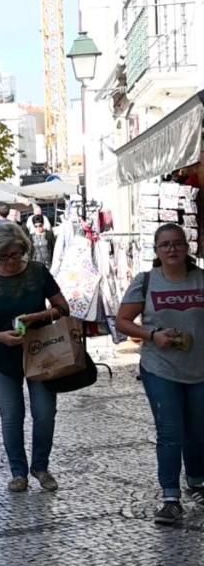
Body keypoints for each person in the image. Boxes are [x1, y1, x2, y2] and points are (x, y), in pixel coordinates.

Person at [0, 223, 70, 493]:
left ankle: (41, 466)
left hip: (40, 353)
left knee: (45, 413)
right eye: (4, 257)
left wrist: (39, 316)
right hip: (1, 356)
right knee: (12, 415)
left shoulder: (38, 272)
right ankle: (18, 472)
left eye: (15, 255)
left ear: (24, 249)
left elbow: (63, 307)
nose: (11, 262)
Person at [116, 223, 204, 526]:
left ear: (187, 247)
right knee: (170, 431)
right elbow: (123, 321)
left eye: (177, 244)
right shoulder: (146, 281)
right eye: (165, 245)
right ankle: (170, 497)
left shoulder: (201, 279)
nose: (172, 250)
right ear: (157, 251)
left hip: (200, 368)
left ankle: (197, 481)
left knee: (198, 429)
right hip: (159, 368)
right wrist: (153, 335)